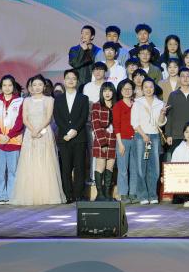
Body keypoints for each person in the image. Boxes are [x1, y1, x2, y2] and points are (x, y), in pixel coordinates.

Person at [10, 75, 66, 205]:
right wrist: (32, 130)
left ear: (44, 86)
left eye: (40, 85)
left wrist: (39, 129)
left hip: (44, 132)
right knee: (30, 162)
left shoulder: (49, 100)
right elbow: (25, 119)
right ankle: (30, 194)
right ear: (31, 87)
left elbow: (48, 118)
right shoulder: (26, 100)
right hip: (30, 134)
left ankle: (46, 195)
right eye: (34, 85)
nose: (37, 87)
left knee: (46, 161)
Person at [53, 69, 90, 203]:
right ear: (64, 80)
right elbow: (57, 117)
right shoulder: (58, 99)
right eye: (68, 78)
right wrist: (68, 132)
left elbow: (83, 116)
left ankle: (79, 194)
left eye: (73, 78)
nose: (70, 80)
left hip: (79, 137)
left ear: (77, 81)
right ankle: (68, 194)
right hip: (64, 138)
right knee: (66, 168)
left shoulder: (83, 98)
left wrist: (74, 130)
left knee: (79, 167)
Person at [0, 75, 23, 205]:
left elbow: (20, 121)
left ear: (13, 86)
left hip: (14, 140)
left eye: (9, 85)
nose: (7, 88)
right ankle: (1, 196)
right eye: (4, 85)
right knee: (0, 171)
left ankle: (11, 195)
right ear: (1, 87)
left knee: (13, 171)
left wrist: (9, 136)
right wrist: (0, 135)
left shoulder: (20, 101)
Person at [130, 78, 166, 205]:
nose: (148, 89)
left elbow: (160, 123)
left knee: (154, 167)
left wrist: (162, 113)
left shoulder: (160, 103)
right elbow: (134, 122)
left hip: (154, 136)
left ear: (154, 88)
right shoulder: (138, 103)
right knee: (141, 166)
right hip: (141, 136)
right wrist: (144, 135)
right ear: (142, 89)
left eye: (151, 87)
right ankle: (143, 195)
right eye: (146, 87)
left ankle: (153, 194)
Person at [90, 82, 118, 201]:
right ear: (101, 92)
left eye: (110, 90)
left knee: (110, 167)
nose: (107, 93)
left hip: (114, 140)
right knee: (100, 166)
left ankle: (107, 194)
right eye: (105, 90)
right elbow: (95, 125)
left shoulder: (117, 105)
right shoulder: (96, 105)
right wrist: (103, 143)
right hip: (101, 140)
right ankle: (99, 194)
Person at [112, 79, 137, 203]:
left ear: (133, 90)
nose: (127, 91)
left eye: (129, 89)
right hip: (123, 140)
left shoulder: (136, 104)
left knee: (134, 168)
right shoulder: (118, 106)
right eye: (124, 89)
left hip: (136, 140)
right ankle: (123, 194)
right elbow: (116, 126)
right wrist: (120, 143)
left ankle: (133, 193)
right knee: (123, 169)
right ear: (121, 91)